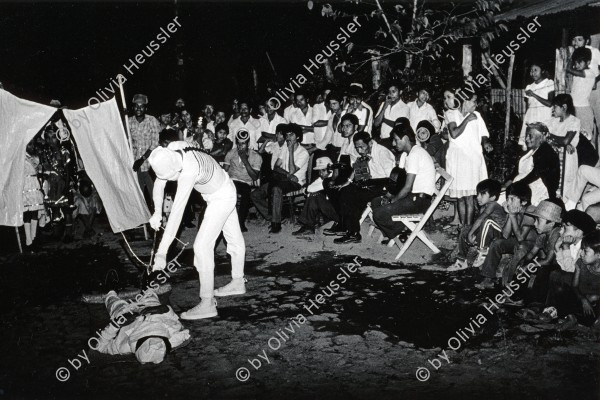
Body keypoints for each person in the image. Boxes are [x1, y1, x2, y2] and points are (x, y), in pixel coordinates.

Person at [148, 142, 246, 320]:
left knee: (201, 247)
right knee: (233, 237)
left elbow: (176, 215)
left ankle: (207, 303)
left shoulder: (188, 172)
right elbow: (159, 182)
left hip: (221, 197)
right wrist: (156, 211)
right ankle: (238, 281)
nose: (170, 182)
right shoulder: (172, 150)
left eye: (172, 178)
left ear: (177, 171)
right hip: (224, 187)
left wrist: (161, 253)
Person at [371, 123, 435, 243]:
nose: (394, 144)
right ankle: (398, 231)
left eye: (396, 140)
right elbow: (401, 181)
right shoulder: (408, 154)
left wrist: (392, 201)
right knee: (376, 202)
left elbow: (407, 187)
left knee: (379, 214)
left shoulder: (415, 154)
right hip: (412, 197)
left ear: (405, 138)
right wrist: (389, 197)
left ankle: (402, 231)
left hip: (419, 201)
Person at [330, 131, 396, 244]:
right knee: (345, 190)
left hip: (385, 184)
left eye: (362, 147)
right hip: (370, 183)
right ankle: (351, 231)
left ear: (370, 143)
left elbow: (392, 178)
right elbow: (357, 168)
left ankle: (352, 232)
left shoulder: (382, 152)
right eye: (357, 148)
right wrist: (348, 182)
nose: (360, 150)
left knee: (352, 196)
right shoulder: (364, 152)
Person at [95, 289, 190, 364]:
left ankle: (110, 290)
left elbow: (100, 346)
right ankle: (147, 281)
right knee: (150, 292)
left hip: (124, 314)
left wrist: (116, 324)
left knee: (113, 301)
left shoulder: (123, 347)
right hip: (151, 308)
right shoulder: (171, 341)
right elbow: (179, 325)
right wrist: (165, 309)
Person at [442, 90, 492, 227]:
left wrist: (486, 142)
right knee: (460, 198)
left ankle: (467, 228)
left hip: (472, 159)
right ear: (464, 101)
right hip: (458, 160)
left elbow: (483, 133)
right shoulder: (450, 114)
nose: (476, 104)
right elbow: (454, 133)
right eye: (473, 101)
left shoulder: (477, 115)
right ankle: (463, 227)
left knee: (470, 196)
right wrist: (466, 120)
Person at [475, 182, 537, 290]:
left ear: (524, 201)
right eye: (508, 198)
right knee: (496, 243)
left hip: (528, 245)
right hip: (516, 241)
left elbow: (521, 238)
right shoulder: (513, 210)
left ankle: (510, 283)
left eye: (512, 199)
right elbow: (505, 235)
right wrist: (509, 214)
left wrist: (512, 216)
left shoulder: (530, 210)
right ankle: (488, 278)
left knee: (520, 247)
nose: (508, 202)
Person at [251, 123, 310, 233]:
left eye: (291, 135)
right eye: (287, 135)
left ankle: (275, 224)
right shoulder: (284, 149)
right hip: (283, 179)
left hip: (296, 183)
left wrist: (291, 151)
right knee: (255, 194)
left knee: (276, 189)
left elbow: (292, 170)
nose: (288, 137)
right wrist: (287, 175)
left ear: (297, 137)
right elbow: (276, 167)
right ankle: (274, 216)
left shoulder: (303, 152)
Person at [544, 231, 600, 329]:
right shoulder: (580, 263)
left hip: (593, 303)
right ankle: (571, 317)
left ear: (599, 255)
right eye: (581, 249)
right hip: (580, 298)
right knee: (561, 289)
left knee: (593, 298)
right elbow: (574, 286)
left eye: (585, 251)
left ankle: (581, 320)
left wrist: (591, 299)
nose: (581, 253)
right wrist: (583, 300)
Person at [448, 179, 506, 271]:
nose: (478, 197)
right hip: (486, 233)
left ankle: (482, 252)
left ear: (493, 197)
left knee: (486, 221)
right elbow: (478, 224)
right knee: (465, 229)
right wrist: (470, 234)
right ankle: (461, 261)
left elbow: (481, 219)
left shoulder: (493, 205)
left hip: (498, 234)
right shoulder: (483, 206)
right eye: (478, 194)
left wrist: (471, 234)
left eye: (482, 194)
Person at [545, 94, 594, 197]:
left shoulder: (574, 121)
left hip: (567, 159)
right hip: (553, 158)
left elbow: (565, 140)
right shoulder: (553, 121)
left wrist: (550, 136)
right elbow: (545, 135)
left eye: (555, 106)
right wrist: (561, 142)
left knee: (565, 187)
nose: (552, 109)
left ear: (564, 107)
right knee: (551, 184)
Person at [223, 129, 262, 232]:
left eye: (243, 144)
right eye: (239, 144)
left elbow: (254, 177)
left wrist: (245, 160)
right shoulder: (231, 153)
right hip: (231, 181)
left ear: (248, 143)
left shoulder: (256, 156)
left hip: (245, 183)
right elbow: (224, 171)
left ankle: (240, 222)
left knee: (245, 193)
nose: (241, 146)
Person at [293, 156, 338, 236]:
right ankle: (308, 226)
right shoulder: (324, 177)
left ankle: (308, 226)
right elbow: (310, 187)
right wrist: (308, 190)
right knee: (314, 195)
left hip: (340, 214)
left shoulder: (333, 179)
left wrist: (307, 191)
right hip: (332, 209)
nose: (320, 173)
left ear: (330, 169)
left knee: (315, 195)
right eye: (319, 170)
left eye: (323, 170)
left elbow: (310, 189)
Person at [130, 94, 161, 201]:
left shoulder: (152, 120)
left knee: (154, 196)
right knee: (139, 197)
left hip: (150, 165)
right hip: (135, 165)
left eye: (141, 106)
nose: (138, 109)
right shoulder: (128, 121)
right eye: (136, 106)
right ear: (133, 107)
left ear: (146, 108)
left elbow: (155, 144)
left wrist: (142, 159)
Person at [517, 62, 555, 150]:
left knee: (543, 144)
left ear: (542, 71)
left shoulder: (549, 83)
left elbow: (550, 103)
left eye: (535, 70)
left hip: (543, 118)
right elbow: (528, 107)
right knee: (528, 146)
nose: (533, 73)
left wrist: (534, 94)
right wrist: (526, 121)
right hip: (531, 118)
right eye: (531, 70)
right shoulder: (529, 87)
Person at [22, 142, 45, 248]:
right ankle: (28, 239)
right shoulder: (21, 157)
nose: (32, 146)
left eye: (32, 144)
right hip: (25, 185)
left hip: (35, 184)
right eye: (29, 144)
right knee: (27, 212)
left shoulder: (35, 157)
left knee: (35, 211)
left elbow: (39, 171)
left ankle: (34, 237)